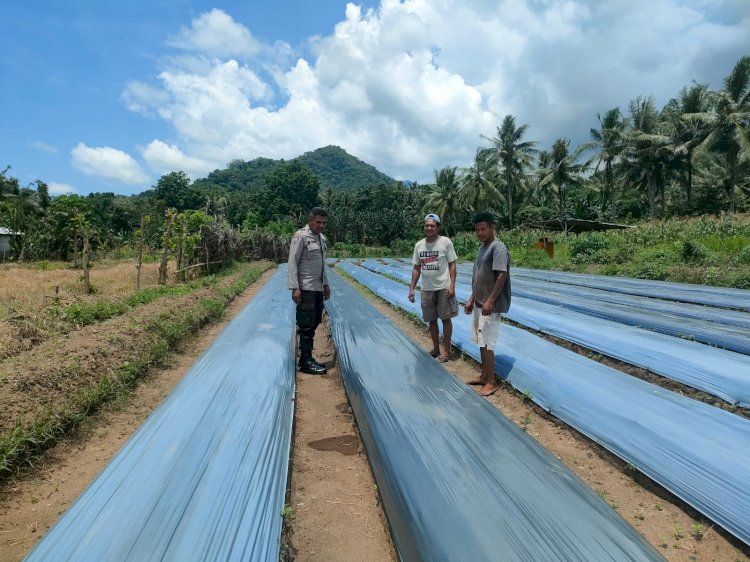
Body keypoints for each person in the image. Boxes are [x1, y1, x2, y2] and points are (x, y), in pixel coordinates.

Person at [463, 212, 511, 396]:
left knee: (488, 343)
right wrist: (471, 299)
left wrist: (490, 301)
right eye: (477, 230)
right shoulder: (483, 248)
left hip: (490, 304)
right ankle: (484, 376)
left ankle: (491, 381)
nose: (480, 233)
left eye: (483, 229)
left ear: (492, 228)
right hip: (480, 302)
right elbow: (478, 278)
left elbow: (501, 275)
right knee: (481, 340)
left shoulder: (497, 248)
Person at [408, 213, 458, 362]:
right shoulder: (419, 245)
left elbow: (452, 264)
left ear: (438, 227)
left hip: (443, 286)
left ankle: (446, 352)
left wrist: (452, 285)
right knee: (431, 320)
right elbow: (417, 268)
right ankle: (436, 348)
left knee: (446, 318)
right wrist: (412, 288)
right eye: (427, 225)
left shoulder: (445, 242)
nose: (429, 228)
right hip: (427, 288)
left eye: (432, 225)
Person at [288, 207, 331, 374]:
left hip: (317, 288)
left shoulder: (321, 238)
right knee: (306, 325)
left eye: (324, 223)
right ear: (310, 220)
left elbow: (321, 265)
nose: (321, 225)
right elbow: (292, 262)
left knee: (314, 322)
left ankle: (308, 357)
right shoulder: (300, 237)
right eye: (318, 222)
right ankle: (305, 361)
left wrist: (326, 285)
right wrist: (295, 287)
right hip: (305, 288)